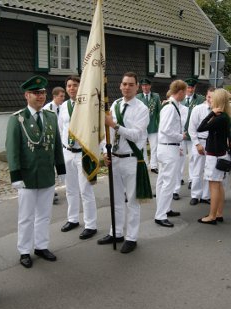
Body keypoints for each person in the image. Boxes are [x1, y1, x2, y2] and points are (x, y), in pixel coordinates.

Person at [6, 75, 66, 268]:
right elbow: (12, 149)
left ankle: (41, 246)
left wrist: (61, 168)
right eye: (36, 93)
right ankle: (24, 250)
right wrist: (15, 175)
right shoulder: (17, 119)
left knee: (44, 214)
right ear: (27, 95)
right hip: (27, 176)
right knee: (26, 217)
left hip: (46, 175)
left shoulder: (50, 116)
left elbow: (56, 145)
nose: (40, 96)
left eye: (42, 93)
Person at [99, 71, 149, 253]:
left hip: (131, 159)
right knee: (116, 199)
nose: (126, 87)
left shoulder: (142, 109)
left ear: (137, 87)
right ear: (120, 86)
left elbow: (136, 135)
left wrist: (114, 125)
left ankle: (131, 237)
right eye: (124, 84)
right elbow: (108, 133)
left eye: (130, 84)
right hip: (116, 159)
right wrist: (105, 150)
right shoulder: (116, 104)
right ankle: (116, 232)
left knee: (132, 202)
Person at [58, 75, 98, 239]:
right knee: (71, 189)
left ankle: (91, 224)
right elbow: (62, 128)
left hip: (83, 154)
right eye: (69, 86)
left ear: (80, 87)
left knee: (85, 190)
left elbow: (95, 129)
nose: (72, 88)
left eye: (75, 85)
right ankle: (73, 219)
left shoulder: (87, 105)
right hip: (68, 152)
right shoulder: (64, 106)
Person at [154, 80, 187, 228]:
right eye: (184, 92)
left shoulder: (172, 106)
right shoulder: (170, 108)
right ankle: (161, 215)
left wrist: (177, 143)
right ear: (179, 92)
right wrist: (181, 137)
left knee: (163, 181)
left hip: (168, 147)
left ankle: (164, 209)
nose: (185, 94)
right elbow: (166, 129)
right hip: (168, 148)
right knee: (167, 183)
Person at [196, 88, 231, 224]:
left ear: (218, 100)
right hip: (220, 154)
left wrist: (211, 113)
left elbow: (201, 128)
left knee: (214, 185)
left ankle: (212, 216)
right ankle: (218, 213)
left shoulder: (219, 117)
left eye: (212, 98)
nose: (209, 100)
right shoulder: (225, 116)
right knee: (218, 185)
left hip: (214, 155)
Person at [187, 87, 214, 205]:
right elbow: (191, 129)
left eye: (213, 97)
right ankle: (195, 195)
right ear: (205, 96)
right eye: (208, 97)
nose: (210, 100)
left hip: (212, 143)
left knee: (209, 171)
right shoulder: (198, 109)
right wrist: (197, 144)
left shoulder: (218, 110)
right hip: (200, 142)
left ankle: (205, 196)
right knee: (197, 170)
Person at [183, 77, 205, 190]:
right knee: (180, 159)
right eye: (188, 87)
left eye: (192, 87)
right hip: (181, 134)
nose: (190, 89)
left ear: (194, 88)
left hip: (193, 134)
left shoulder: (200, 99)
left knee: (192, 158)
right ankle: (179, 179)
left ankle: (191, 179)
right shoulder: (181, 99)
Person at [136, 78, 162, 174]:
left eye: (146, 85)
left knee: (154, 147)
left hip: (153, 126)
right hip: (141, 127)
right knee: (142, 146)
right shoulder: (138, 97)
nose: (145, 87)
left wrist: (159, 125)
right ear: (141, 87)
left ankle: (154, 166)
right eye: (143, 85)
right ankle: (145, 165)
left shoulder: (156, 96)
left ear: (150, 86)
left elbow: (159, 111)